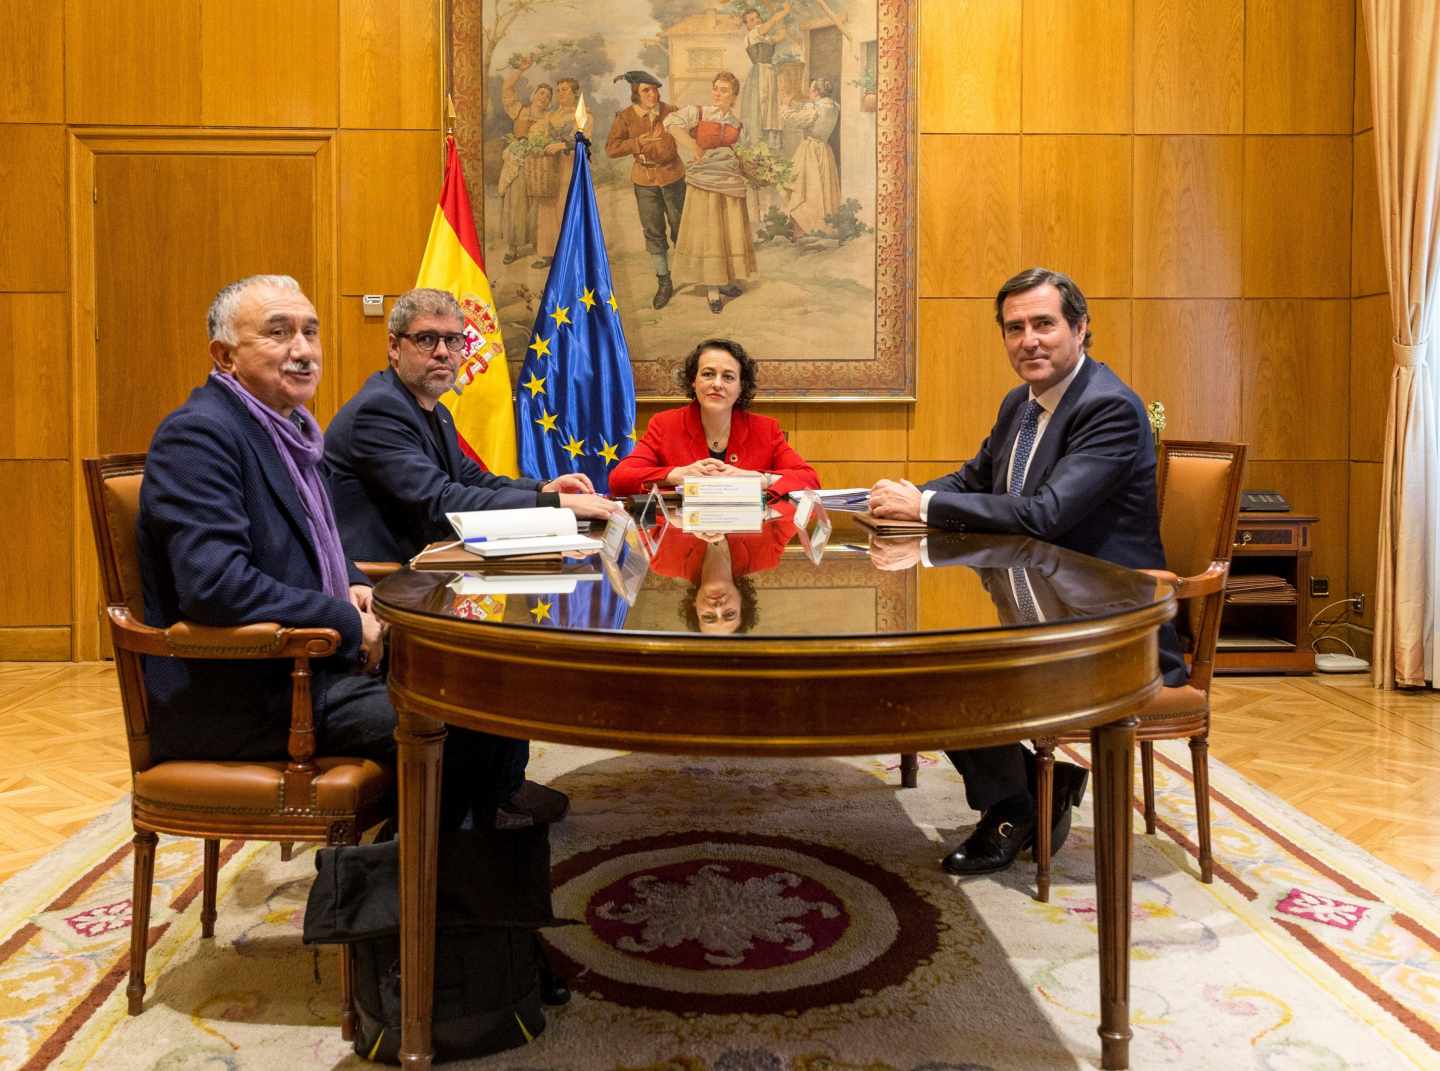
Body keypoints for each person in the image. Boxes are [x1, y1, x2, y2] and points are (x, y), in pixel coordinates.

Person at [138, 275, 564, 830]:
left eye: (310, 332)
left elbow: (314, 542)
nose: (302, 349)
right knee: (462, 717)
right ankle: (416, 893)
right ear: (225, 356)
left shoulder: (284, 430)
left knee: (487, 682)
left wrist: (353, 581)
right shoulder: (199, 436)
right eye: (278, 333)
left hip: (308, 665)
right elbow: (215, 585)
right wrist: (341, 615)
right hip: (251, 688)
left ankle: (454, 866)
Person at [867, 266, 1186, 878]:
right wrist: (901, 500)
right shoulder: (1022, 402)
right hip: (1038, 604)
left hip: (1108, 630)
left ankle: (1016, 805)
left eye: (1044, 324)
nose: (1028, 340)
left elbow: (1045, 514)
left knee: (949, 675)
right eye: (1015, 328)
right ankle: (1042, 786)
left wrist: (926, 508)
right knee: (925, 661)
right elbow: (974, 480)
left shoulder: (1109, 408)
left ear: (1081, 327)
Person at [324, 287, 619, 564]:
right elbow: (440, 500)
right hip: (383, 582)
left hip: (430, 565)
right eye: (426, 339)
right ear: (394, 346)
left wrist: (544, 486)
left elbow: (473, 479)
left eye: (453, 340)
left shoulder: (435, 411)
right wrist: (555, 503)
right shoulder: (378, 412)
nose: (443, 352)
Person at [608, 337, 819, 497]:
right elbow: (620, 479)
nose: (717, 384)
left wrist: (759, 479)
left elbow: (810, 481)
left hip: (749, 540)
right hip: (683, 539)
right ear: (693, 381)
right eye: (708, 374)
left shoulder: (765, 429)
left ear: (740, 387)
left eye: (728, 377)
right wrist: (676, 475)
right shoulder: (665, 425)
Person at [664, 72, 756, 314]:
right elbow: (671, 123)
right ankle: (712, 289)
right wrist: (692, 145)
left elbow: (744, 154)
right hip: (704, 182)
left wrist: (759, 171)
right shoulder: (699, 112)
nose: (717, 93)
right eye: (715, 88)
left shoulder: (737, 124)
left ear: (734, 96)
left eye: (724, 90)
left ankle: (724, 281)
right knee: (710, 234)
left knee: (728, 233)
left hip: (731, 183)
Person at [605, 70, 686, 310]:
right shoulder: (626, 117)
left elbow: (691, 134)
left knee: (681, 225)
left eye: (655, 88)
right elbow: (611, 148)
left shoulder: (671, 111)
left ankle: (696, 274)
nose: (653, 94)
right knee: (653, 230)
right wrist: (638, 142)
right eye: (646, 90)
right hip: (645, 180)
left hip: (673, 176)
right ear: (635, 94)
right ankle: (664, 281)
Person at [497, 59, 552, 265]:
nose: (544, 98)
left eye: (548, 96)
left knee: (537, 206)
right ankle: (512, 247)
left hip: (539, 166)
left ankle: (540, 245)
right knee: (516, 202)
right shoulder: (519, 110)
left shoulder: (549, 118)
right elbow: (507, 88)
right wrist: (521, 70)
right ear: (533, 95)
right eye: (541, 93)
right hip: (517, 163)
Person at [782, 78, 841, 235]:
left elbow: (792, 119)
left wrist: (786, 105)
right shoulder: (834, 107)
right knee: (820, 189)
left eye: (810, 90)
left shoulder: (815, 109)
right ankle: (819, 227)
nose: (809, 93)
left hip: (810, 150)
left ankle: (804, 228)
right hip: (825, 150)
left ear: (816, 92)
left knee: (806, 189)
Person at [738, 3, 791, 151]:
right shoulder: (753, 34)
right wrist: (784, 10)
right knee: (760, 106)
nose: (756, 21)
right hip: (759, 74)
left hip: (769, 73)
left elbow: (781, 35)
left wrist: (780, 18)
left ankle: (770, 144)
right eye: (751, 20)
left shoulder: (764, 37)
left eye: (757, 17)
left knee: (771, 108)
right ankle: (757, 143)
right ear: (747, 25)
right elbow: (772, 22)